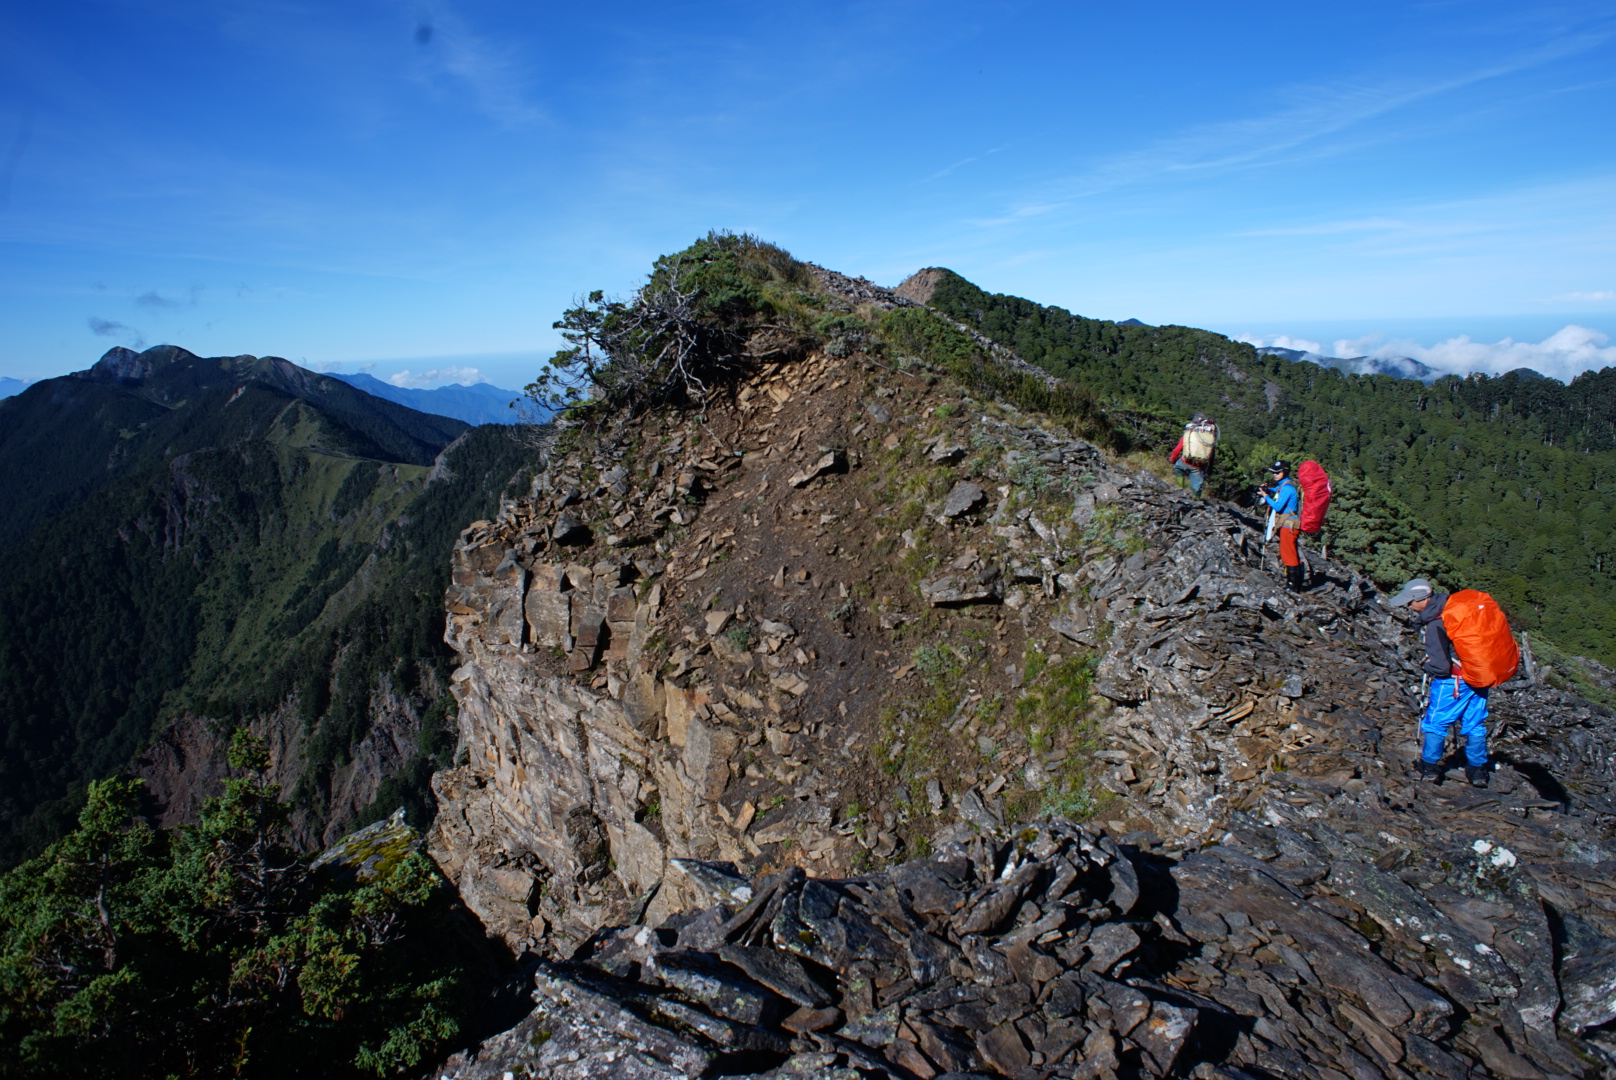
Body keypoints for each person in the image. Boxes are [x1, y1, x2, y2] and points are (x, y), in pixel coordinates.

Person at [1389, 578, 1490, 787]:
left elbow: (1441, 667)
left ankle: (1429, 768)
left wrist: (1427, 666)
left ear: (1421, 600)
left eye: (1409, 603)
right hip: (1481, 676)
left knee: (1436, 723)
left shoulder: (1436, 622)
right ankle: (1478, 771)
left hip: (1453, 681)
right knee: (1475, 724)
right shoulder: (1454, 607)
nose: (1409, 607)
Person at [1258, 460, 1304, 592]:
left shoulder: (1288, 488)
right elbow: (1276, 492)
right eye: (1273, 472)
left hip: (1288, 526)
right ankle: (1296, 583)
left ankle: (1292, 585)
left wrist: (1266, 496)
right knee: (1290, 553)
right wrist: (1267, 490)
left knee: (1288, 554)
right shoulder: (1284, 485)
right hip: (1287, 524)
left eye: (1277, 472)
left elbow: (1278, 506)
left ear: (1285, 472)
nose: (1275, 475)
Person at [1168, 413, 1219, 495]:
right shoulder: (1209, 437)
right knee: (1197, 485)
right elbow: (1211, 456)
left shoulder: (1189, 434)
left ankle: (1179, 489)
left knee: (1178, 468)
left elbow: (1177, 450)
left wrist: (1172, 459)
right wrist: (1209, 469)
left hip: (1185, 461)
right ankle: (1197, 501)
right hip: (1199, 466)